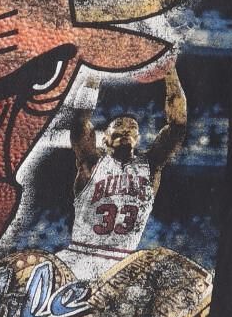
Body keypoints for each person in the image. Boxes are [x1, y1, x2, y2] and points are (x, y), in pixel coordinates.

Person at [55, 64, 187, 281]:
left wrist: (170, 70)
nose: (126, 129)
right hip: (80, 258)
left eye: (133, 127)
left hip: (122, 267)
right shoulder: (91, 162)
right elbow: (79, 121)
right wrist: (95, 71)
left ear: (138, 138)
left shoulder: (150, 166)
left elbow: (178, 124)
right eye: (118, 124)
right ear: (104, 138)